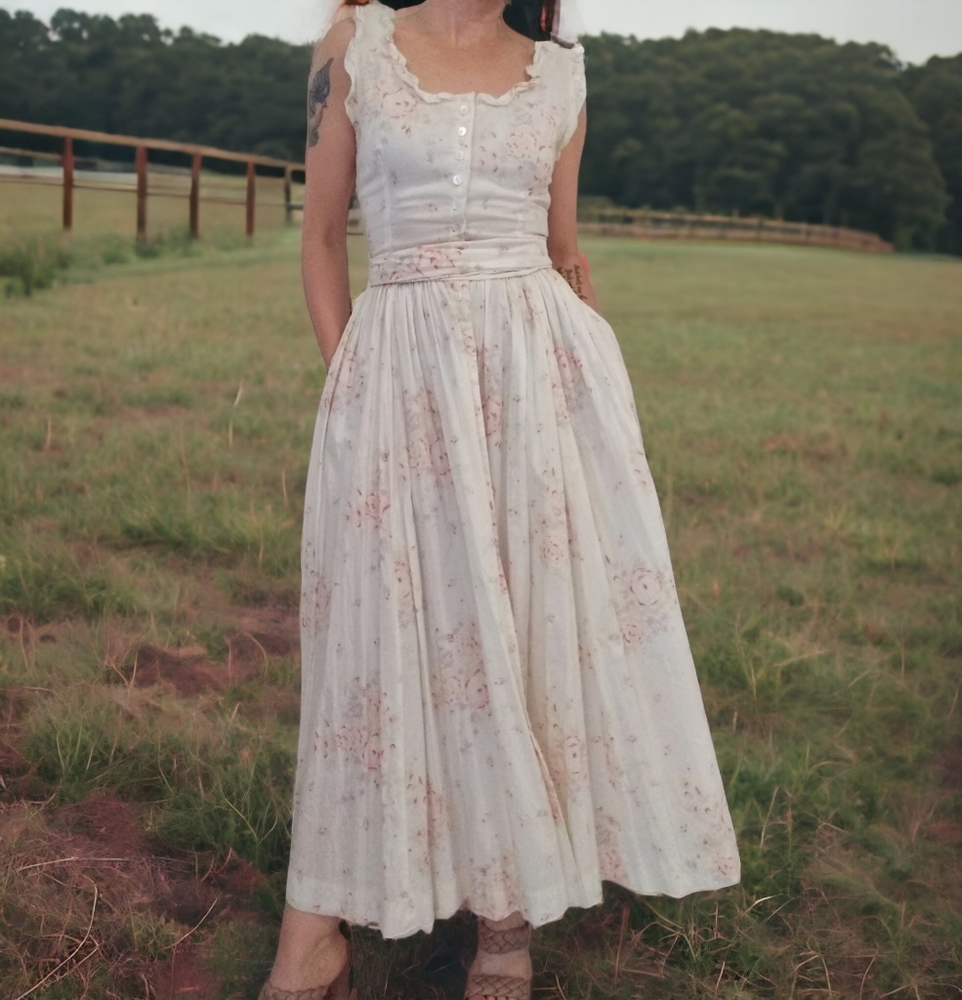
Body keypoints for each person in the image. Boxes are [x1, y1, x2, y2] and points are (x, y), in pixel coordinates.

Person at [258, 0, 741, 997]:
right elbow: (321, 241)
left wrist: (596, 410)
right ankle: (318, 928)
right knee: (383, 635)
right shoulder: (356, 48)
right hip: (394, 373)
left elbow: (562, 246)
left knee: (521, 635)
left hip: (540, 384)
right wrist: (352, 382)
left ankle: (505, 930)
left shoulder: (560, 73)